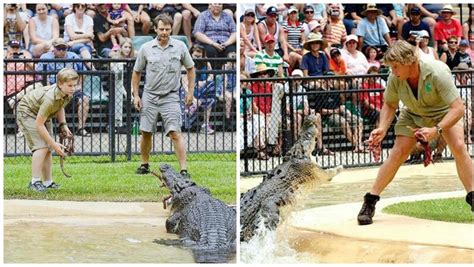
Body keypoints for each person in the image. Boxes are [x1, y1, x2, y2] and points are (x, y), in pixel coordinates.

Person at [358, 40, 473, 225]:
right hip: (413, 113)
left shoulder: (438, 72)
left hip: (443, 113)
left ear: (409, 61)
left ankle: (473, 196)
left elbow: (458, 108)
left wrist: (436, 130)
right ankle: (370, 200)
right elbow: (390, 103)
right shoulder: (395, 76)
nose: (393, 71)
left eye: (396, 66)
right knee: (397, 153)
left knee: (459, 146)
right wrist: (382, 128)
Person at [132, 14, 195, 177]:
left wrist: (190, 92)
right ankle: (144, 164)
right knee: (146, 132)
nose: (164, 32)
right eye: (161, 29)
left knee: (175, 132)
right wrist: (136, 95)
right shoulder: (146, 48)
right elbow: (136, 72)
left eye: (167, 29)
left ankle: (183, 169)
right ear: (155, 29)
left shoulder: (180, 46)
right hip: (150, 95)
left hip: (171, 96)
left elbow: (191, 68)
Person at [16, 68, 79, 192]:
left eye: (75, 85)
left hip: (43, 114)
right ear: (60, 84)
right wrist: (55, 146)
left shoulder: (67, 93)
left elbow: (60, 107)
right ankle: (34, 182)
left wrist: (63, 125)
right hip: (28, 112)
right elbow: (39, 125)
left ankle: (47, 182)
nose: (73, 88)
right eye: (70, 85)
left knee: (48, 149)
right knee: (41, 147)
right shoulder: (49, 98)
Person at [37, 38, 91, 137]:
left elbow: (84, 72)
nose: (61, 51)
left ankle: (81, 128)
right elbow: (40, 75)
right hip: (53, 89)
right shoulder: (46, 57)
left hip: (71, 88)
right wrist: (48, 87)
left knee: (85, 99)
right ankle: (49, 131)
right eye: (59, 48)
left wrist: (78, 85)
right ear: (53, 48)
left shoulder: (74, 57)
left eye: (64, 48)